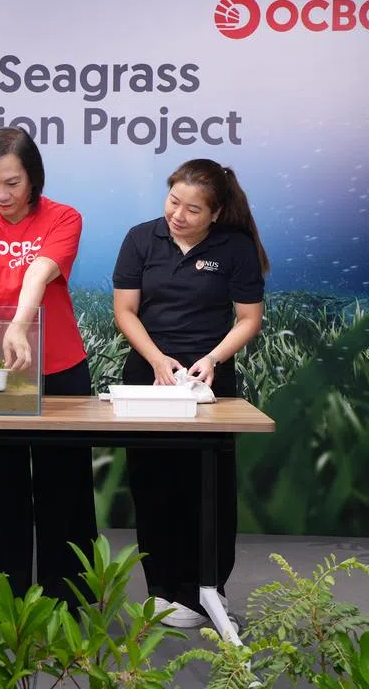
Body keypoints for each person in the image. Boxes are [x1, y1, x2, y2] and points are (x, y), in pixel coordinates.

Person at [0, 127, 98, 603]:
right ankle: (0, 593)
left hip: (59, 368)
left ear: (33, 178)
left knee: (63, 483)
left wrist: (18, 325)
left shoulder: (64, 217)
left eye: (12, 183)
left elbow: (39, 272)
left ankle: (67, 593)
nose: (2, 195)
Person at [112, 158, 268, 629]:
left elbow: (248, 319)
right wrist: (157, 360)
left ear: (216, 213)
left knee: (206, 487)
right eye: (173, 201)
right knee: (152, 484)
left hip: (209, 385)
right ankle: (161, 589)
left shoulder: (235, 248)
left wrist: (213, 359)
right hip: (147, 379)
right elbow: (125, 311)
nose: (178, 215)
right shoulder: (141, 238)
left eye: (193, 209)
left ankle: (205, 590)